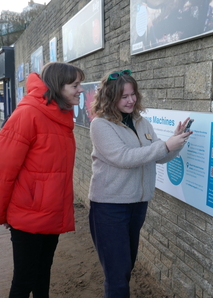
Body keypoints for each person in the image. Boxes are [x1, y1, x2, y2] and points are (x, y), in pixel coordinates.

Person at [88, 69, 193, 298]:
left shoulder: (141, 122)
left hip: (137, 205)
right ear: (110, 97)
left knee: (126, 268)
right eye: (124, 96)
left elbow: (159, 156)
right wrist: (165, 145)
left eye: (133, 94)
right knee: (117, 275)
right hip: (110, 207)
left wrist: (177, 141)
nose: (131, 100)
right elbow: (124, 158)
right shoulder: (101, 125)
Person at [0, 62, 85, 298]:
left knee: (43, 274)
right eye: (75, 85)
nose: (80, 89)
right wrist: (0, 214)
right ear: (57, 86)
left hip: (51, 213)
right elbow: (0, 170)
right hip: (27, 216)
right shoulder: (28, 114)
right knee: (23, 281)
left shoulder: (62, 116)